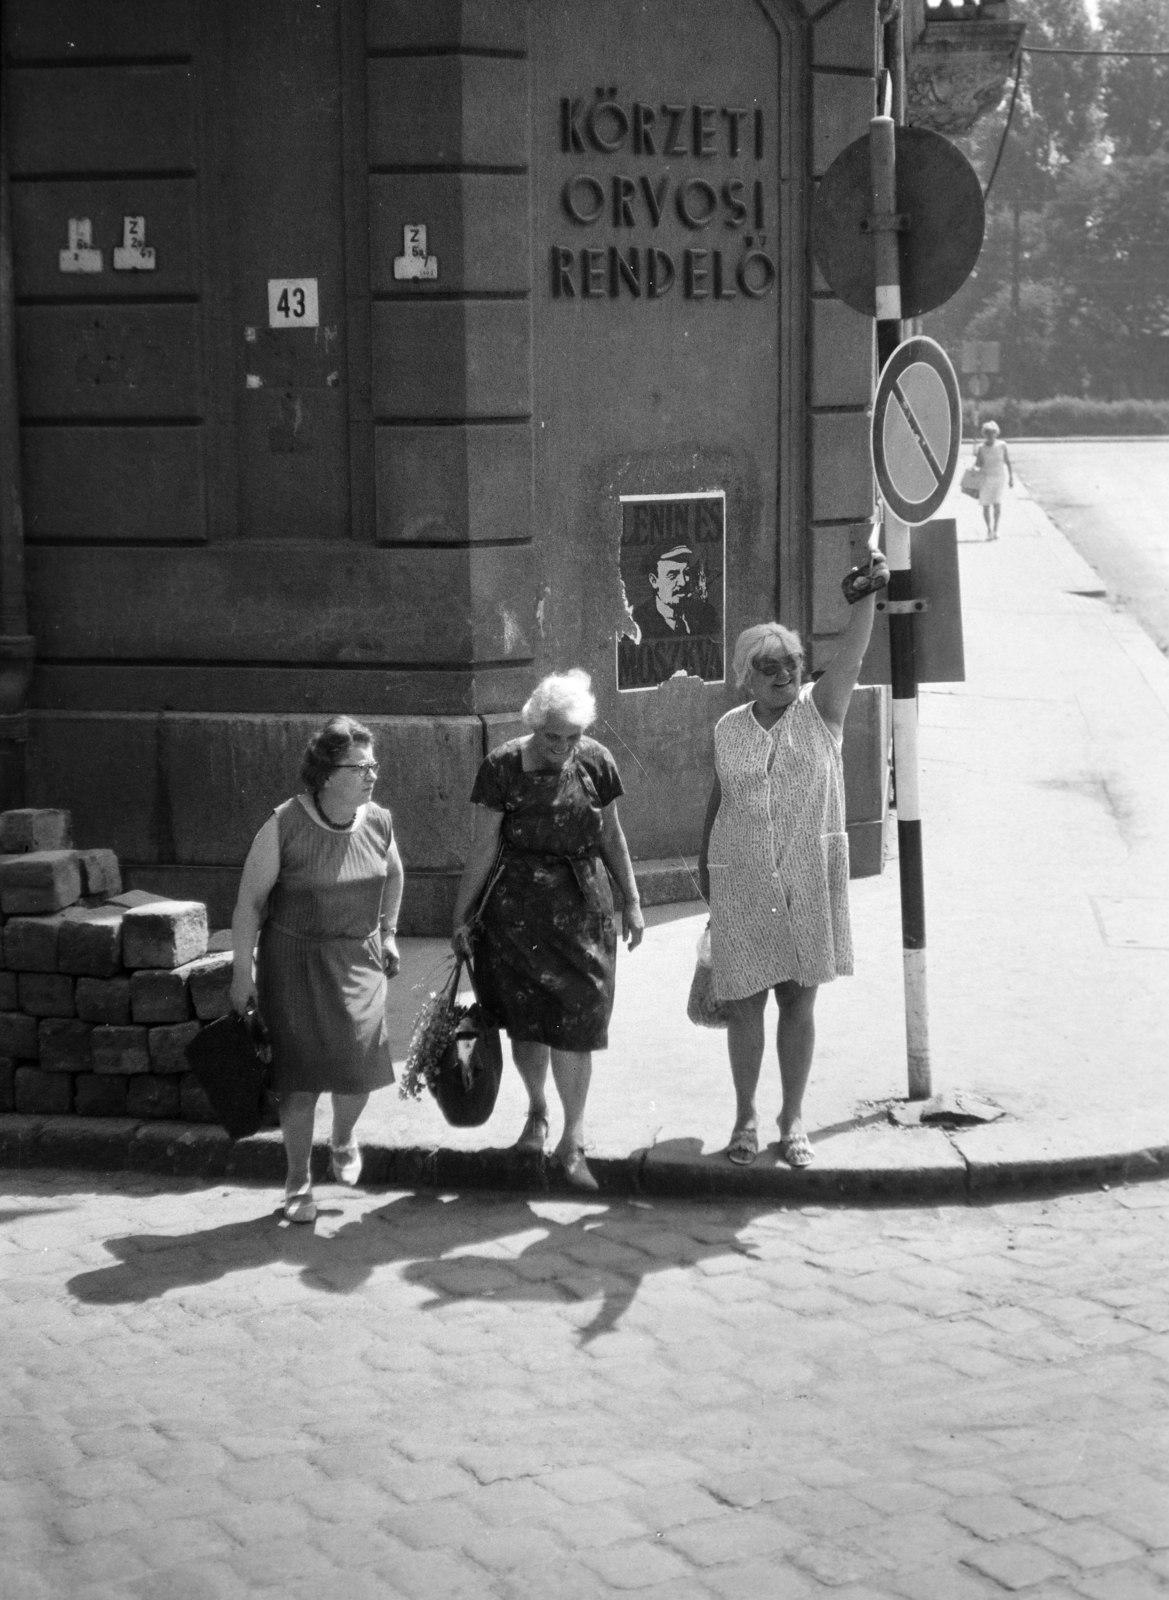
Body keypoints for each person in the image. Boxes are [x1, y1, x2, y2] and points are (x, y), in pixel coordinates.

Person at [697, 553, 888, 1168]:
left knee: (798, 1004)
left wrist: (864, 599)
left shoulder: (821, 714)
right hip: (743, 884)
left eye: (791, 665)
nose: (783, 674)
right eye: (768, 667)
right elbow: (717, 801)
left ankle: (793, 1117)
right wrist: (708, 880)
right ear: (745, 678)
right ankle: (745, 1117)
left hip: (809, 880)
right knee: (746, 1004)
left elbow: (854, 657)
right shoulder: (728, 728)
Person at [451, 670, 645, 1191]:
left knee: (580, 1020)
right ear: (534, 726)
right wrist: (461, 914)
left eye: (571, 737)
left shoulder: (598, 761)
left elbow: (612, 834)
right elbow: (483, 847)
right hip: (515, 913)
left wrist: (632, 900)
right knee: (528, 1022)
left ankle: (573, 1141)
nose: (562, 748)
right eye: (551, 737)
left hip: (584, 908)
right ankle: (537, 1116)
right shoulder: (501, 768)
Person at [230, 716, 403, 1223]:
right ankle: (298, 1181)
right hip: (295, 965)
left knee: (360, 1070)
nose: (371, 775)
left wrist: (389, 932)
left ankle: (343, 1136)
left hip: (359, 960)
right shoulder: (284, 824)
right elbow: (249, 904)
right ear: (327, 773)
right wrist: (243, 973)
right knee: (300, 1081)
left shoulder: (378, 820)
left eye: (374, 765)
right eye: (359, 766)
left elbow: (393, 874)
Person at [630, 544, 721, 640]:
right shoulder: (637, 622)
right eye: (672, 575)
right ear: (654, 580)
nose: (682, 582)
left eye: (686, 573)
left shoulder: (707, 613)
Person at [974, 419, 1013, 539]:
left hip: (999, 478)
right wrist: (973, 470)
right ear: (984, 434)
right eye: (987, 433)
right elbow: (978, 464)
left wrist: (1011, 477)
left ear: (996, 433)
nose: (990, 436)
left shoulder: (1002, 445)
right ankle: (989, 530)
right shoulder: (981, 448)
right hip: (985, 479)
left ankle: (996, 529)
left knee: (997, 504)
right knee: (986, 505)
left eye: (992, 433)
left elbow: (1007, 462)